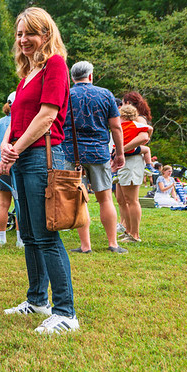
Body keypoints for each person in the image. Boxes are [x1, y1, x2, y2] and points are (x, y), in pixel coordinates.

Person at [0, 7, 78, 333]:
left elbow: (47, 115)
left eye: (29, 33)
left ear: (46, 34)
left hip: (43, 158)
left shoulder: (55, 65)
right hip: (23, 158)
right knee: (29, 234)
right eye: (19, 34)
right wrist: (5, 144)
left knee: (46, 236)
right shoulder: (28, 73)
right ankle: (36, 300)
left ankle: (65, 313)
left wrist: (15, 148)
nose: (23, 39)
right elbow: (16, 119)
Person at [61, 61, 127, 254]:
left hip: (71, 153)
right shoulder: (105, 94)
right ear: (90, 76)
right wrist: (120, 153)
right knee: (105, 198)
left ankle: (85, 246)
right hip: (99, 152)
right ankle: (113, 243)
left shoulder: (67, 95)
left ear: (73, 78)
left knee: (79, 199)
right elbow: (116, 127)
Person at [0, 92, 23, 248]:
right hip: (16, 166)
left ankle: (1, 239)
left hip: (0, 168)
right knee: (20, 203)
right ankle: (20, 240)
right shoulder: (21, 121)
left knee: (3, 204)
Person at [116, 104, 151, 242]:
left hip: (131, 162)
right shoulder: (126, 126)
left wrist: (123, 149)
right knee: (123, 199)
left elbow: (145, 136)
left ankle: (134, 234)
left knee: (132, 200)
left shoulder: (134, 125)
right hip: (124, 164)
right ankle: (128, 230)